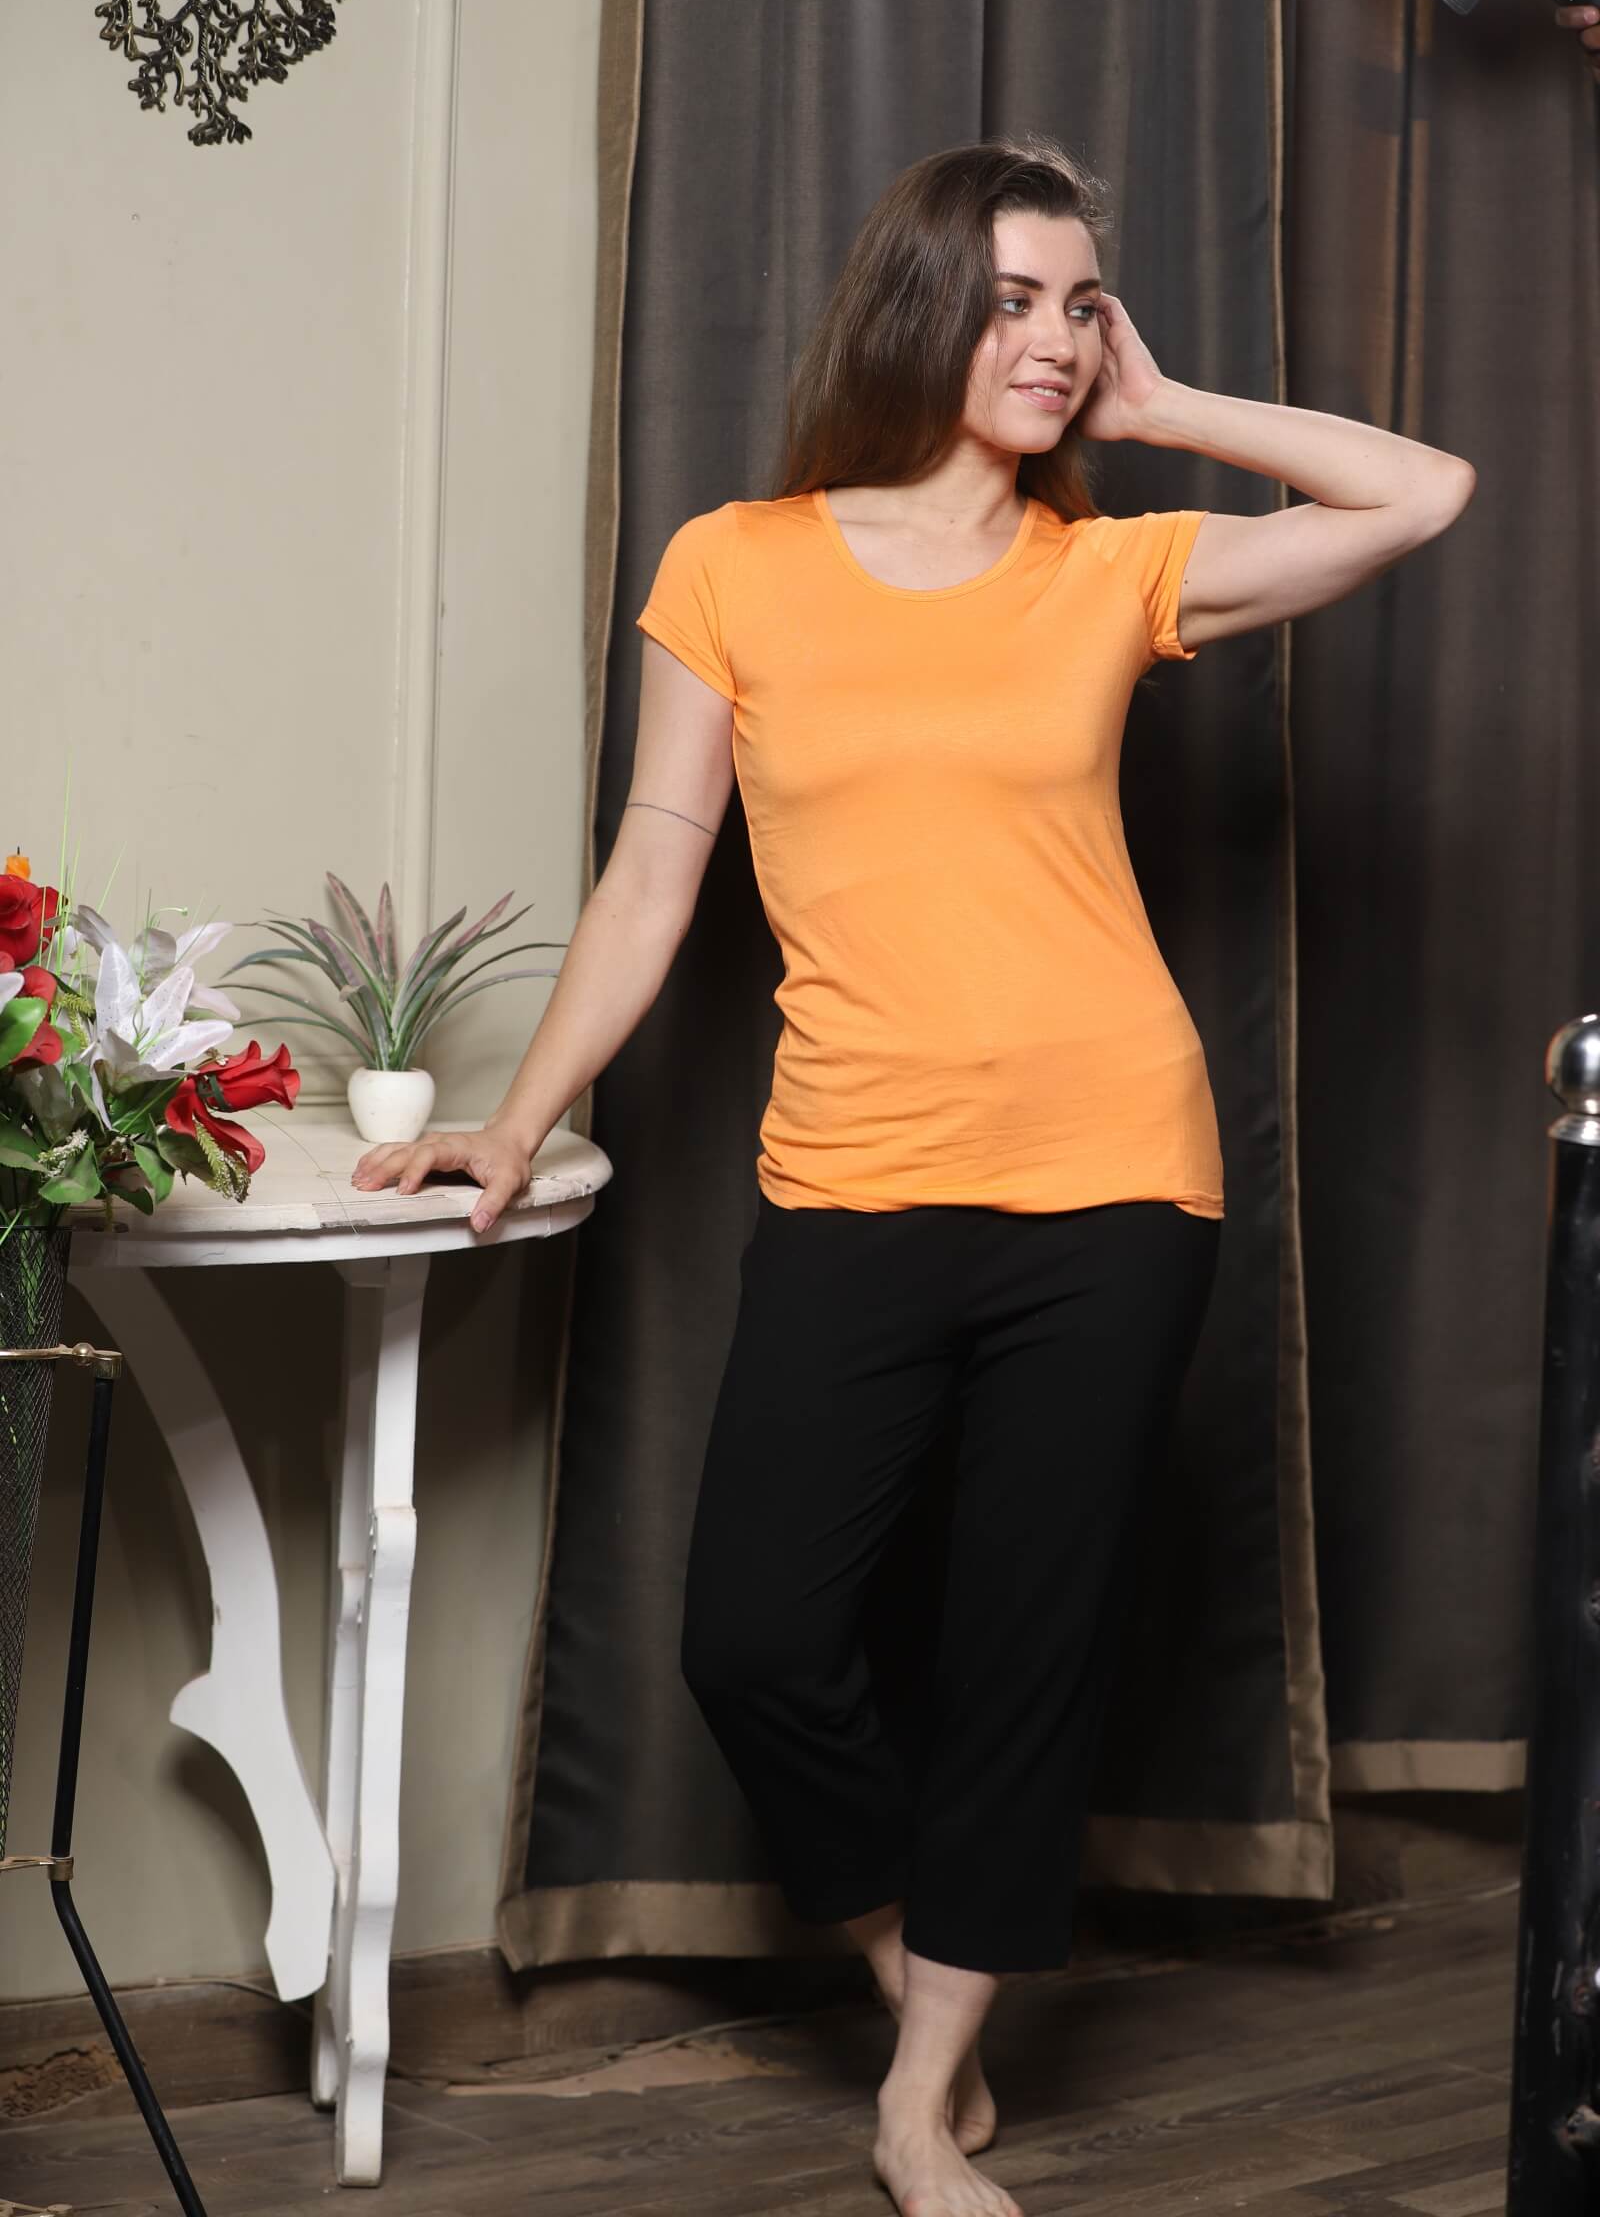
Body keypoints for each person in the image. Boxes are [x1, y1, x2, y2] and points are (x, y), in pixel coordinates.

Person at [351, 136, 1475, 2217]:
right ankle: (910, 1960)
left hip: (1112, 1180)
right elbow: (655, 871)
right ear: (917, 309)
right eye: (1013, 299)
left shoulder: (1107, 567)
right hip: (853, 1174)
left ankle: (918, 2095)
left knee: (1021, 1652)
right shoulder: (736, 564)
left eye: (1079, 303)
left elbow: (1420, 493)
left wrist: (1165, 408)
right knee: (756, 1639)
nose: (1051, 338)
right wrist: (514, 1122)